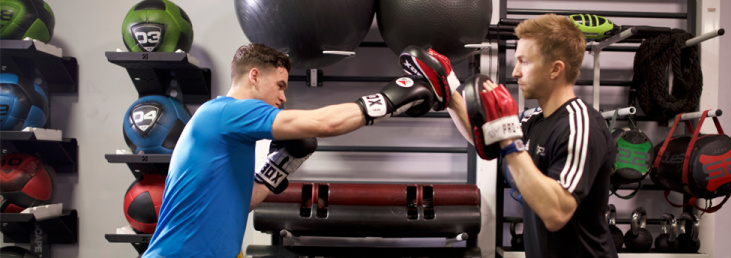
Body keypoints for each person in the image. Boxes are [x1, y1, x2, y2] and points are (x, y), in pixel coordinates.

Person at [143, 43, 437, 257]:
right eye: (280, 85)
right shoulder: (227, 112)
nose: (283, 97)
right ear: (254, 76)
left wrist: (279, 165)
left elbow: (238, 204)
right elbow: (323, 123)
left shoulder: (227, 128)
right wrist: (389, 100)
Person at [400, 14, 618, 257]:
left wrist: (507, 136)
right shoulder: (532, 119)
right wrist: (449, 94)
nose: (515, 72)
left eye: (524, 62)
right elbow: (485, 139)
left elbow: (556, 213)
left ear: (555, 69)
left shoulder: (581, 124)